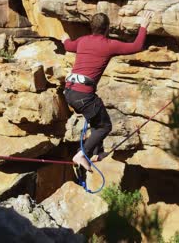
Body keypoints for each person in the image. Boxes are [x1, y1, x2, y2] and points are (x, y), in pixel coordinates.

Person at [61, 11, 153, 172]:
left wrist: (64, 39)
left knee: (97, 118)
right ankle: (82, 154)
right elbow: (136, 46)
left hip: (69, 92)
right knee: (104, 126)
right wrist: (143, 26)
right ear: (107, 28)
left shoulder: (82, 41)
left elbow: (69, 45)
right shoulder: (109, 44)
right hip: (84, 96)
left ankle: (96, 153)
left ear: (91, 27)